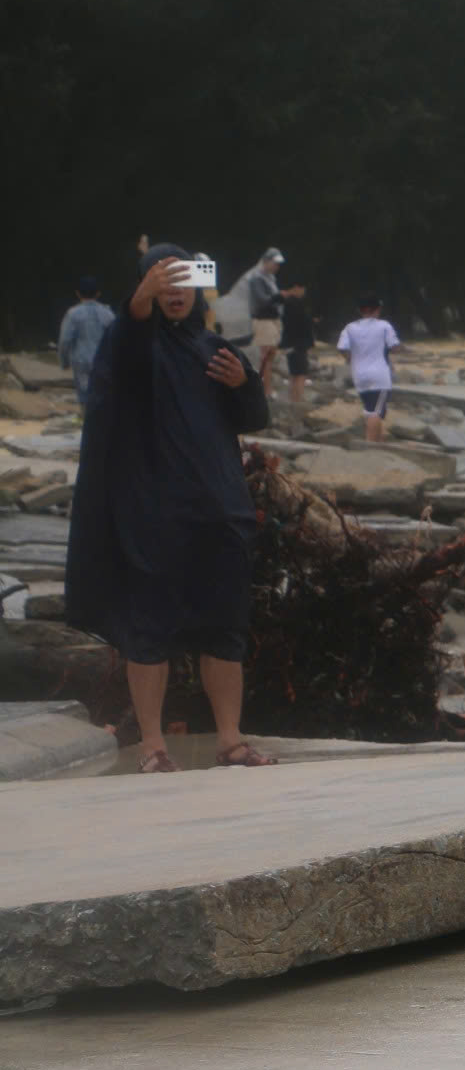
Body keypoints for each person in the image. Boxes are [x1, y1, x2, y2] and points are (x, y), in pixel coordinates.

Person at [65, 246, 275, 773]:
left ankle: (231, 739)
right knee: (149, 632)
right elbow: (129, 333)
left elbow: (255, 416)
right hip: (152, 514)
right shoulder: (130, 348)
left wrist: (242, 385)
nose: (176, 294)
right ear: (145, 289)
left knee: (225, 631)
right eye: (164, 283)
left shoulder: (213, 348)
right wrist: (141, 298)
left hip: (220, 511)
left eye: (185, 282)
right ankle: (154, 747)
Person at [336, 294, 402, 443]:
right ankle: (369, 445)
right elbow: (395, 347)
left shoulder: (350, 327)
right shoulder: (384, 326)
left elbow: (341, 347)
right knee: (376, 412)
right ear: (378, 309)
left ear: (360, 310)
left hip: (359, 375)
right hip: (380, 375)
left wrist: (349, 358)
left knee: (369, 410)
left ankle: (378, 443)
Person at [58, 276, 116, 411]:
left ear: (77, 293)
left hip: (81, 361)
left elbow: (65, 340)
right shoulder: (107, 313)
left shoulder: (73, 314)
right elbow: (115, 339)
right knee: (103, 394)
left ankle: (86, 421)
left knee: (85, 396)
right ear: (98, 293)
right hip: (104, 362)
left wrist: (64, 361)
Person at [246, 247, 286, 391]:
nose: (277, 266)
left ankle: (268, 388)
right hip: (263, 320)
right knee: (265, 357)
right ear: (266, 261)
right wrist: (279, 296)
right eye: (275, 263)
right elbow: (262, 300)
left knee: (271, 356)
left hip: (274, 319)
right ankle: (265, 390)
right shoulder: (256, 278)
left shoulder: (270, 278)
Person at [278, 280, 315, 412]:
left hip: (289, 343)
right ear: (297, 288)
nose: (304, 292)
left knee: (294, 373)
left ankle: (292, 400)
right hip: (298, 343)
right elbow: (303, 324)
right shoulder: (295, 304)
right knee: (300, 373)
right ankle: (297, 402)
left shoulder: (286, 304)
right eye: (303, 289)